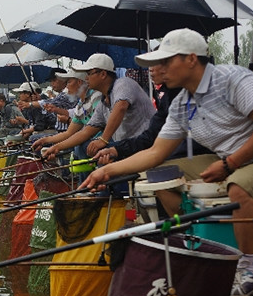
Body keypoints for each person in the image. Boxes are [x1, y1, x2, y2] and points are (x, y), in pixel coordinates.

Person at [79, 28, 253, 296]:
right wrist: (107, 171)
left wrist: (230, 164)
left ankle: (247, 266)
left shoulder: (232, 79)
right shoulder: (182, 102)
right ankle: (188, 233)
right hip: (225, 159)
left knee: (238, 187)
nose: (157, 69)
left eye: (165, 61)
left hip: (244, 158)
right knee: (158, 174)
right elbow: (155, 152)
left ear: (192, 59)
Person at [39, 53, 156, 161]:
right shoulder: (103, 102)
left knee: (94, 154)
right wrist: (56, 147)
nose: (86, 78)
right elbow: (85, 132)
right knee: (95, 155)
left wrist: (103, 140)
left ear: (103, 74)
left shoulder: (123, 83)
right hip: (127, 147)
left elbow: (121, 107)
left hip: (146, 144)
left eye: (89, 74)